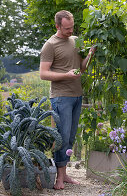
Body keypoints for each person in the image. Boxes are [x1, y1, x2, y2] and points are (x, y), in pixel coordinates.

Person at [40, 10, 96, 190]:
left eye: (72, 27)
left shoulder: (75, 41)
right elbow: (43, 74)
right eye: (66, 29)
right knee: (61, 137)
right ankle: (58, 179)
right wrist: (66, 75)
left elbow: (82, 68)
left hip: (76, 96)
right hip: (60, 97)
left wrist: (89, 55)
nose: (70, 31)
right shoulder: (50, 45)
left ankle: (64, 175)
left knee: (70, 137)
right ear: (57, 26)